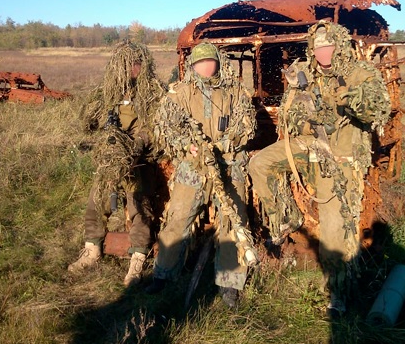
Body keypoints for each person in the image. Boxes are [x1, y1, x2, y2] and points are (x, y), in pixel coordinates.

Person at [248, 20, 391, 315]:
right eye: (318, 48)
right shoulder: (306, 72)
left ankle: (339, 291)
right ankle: (288, 218)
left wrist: (348, 99)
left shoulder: (359, 73)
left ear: (339, 46)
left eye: (328, 46)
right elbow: (290, 116)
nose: (323, 53)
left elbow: (378, 110)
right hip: (308, 144)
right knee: (260, 163)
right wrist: (298, 95)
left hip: (341, 156)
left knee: (335, 229)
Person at [145, 42, 258, 308]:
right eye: (200, 63)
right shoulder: (181, 93)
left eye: (210, 61)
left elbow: (247, 127)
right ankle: (163, 275)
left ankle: (229, 283)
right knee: (178, 218)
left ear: (218, 63)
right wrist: (188, 145)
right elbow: (163, 127)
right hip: (193, 168)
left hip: (229, 167)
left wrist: (224, 146)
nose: (206, 67)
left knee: (232, 222)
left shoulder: (236, 91)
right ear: (192, 66)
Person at [68, 40, 166, 287]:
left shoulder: (152, 92)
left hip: (139, 161)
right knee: (96, 201)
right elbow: (92, 124)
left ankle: (138, 255)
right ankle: (92, 248)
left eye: (136, 64)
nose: (132, 69)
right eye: (128, 65)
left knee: (138, 205)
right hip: (111, 161)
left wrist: (136, 146)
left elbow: (155, 127)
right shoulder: (108, 92)